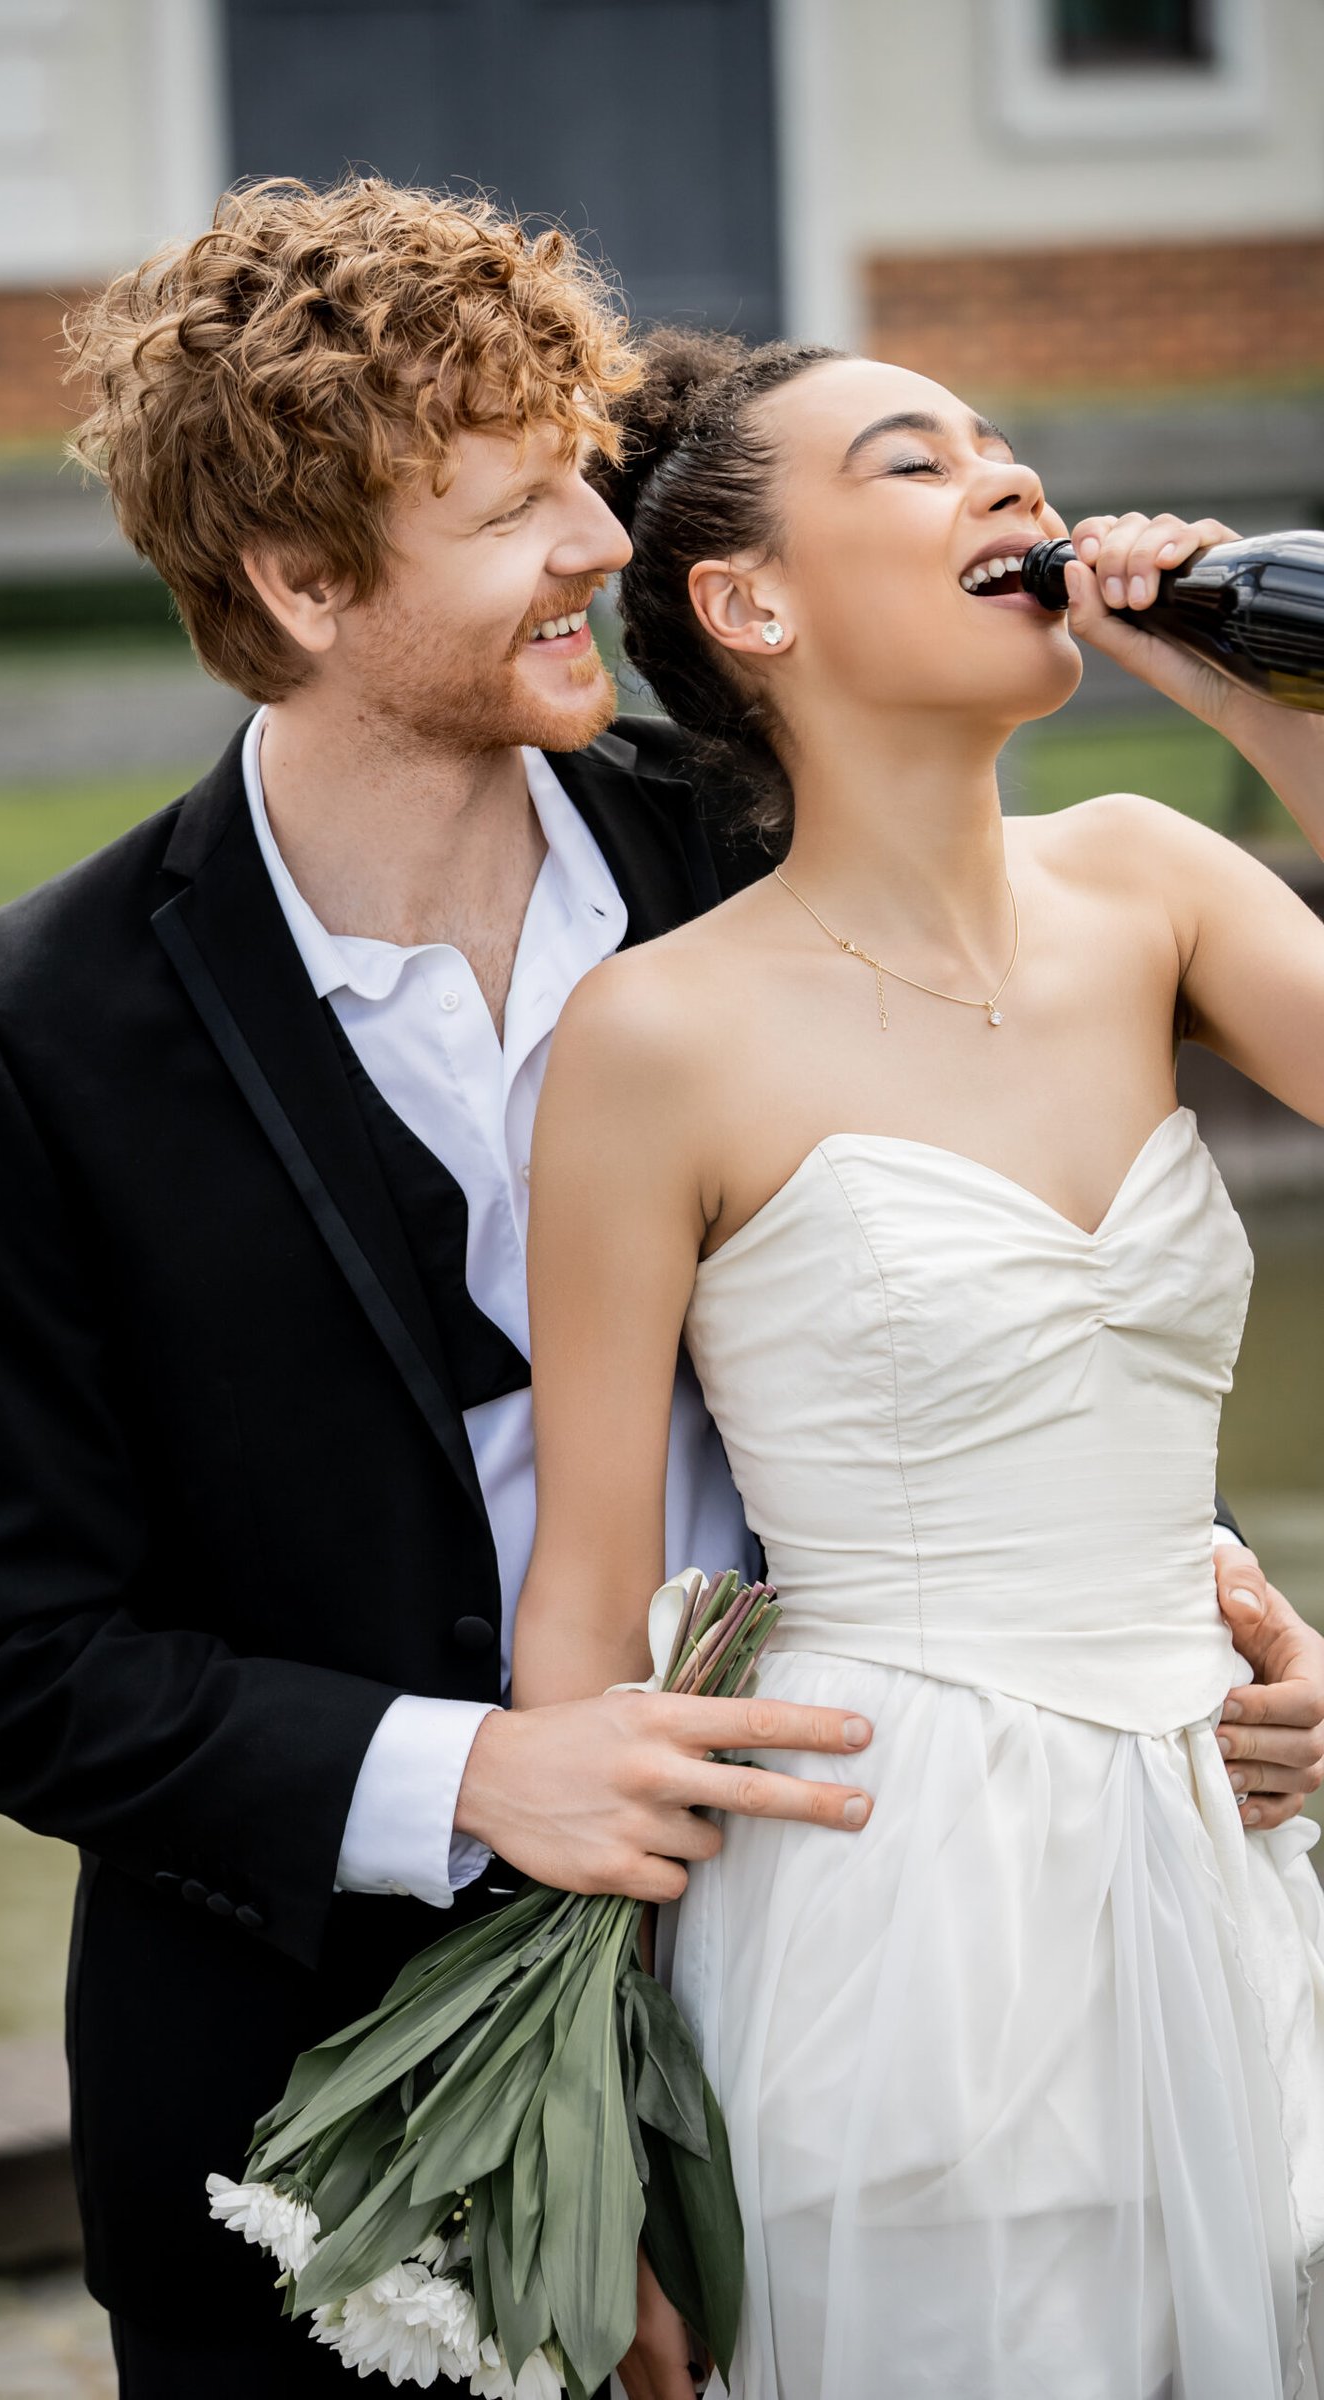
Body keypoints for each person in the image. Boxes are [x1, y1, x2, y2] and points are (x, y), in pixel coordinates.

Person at [0, 180, 1314, 2396]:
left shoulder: (747, 842)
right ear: (298, 582)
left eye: (585, 466)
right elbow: (16, 1661)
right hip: (317, 2100)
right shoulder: (41, 1018)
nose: (595, 540)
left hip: (866, 1946)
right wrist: (480, 1776)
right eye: (509, 504)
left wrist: (1181, 1609)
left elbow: (964, 1304)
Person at [513, 330, 1324, 2399]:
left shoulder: (1142, 881)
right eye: (911, 461)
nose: (1001, 483)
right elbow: (585, 1605)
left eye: (1001, 451)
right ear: (748, 605)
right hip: (897, 1894)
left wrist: (1237, 685)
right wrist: (579, 2138)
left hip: (1221, 1853)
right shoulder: (654, 1035)